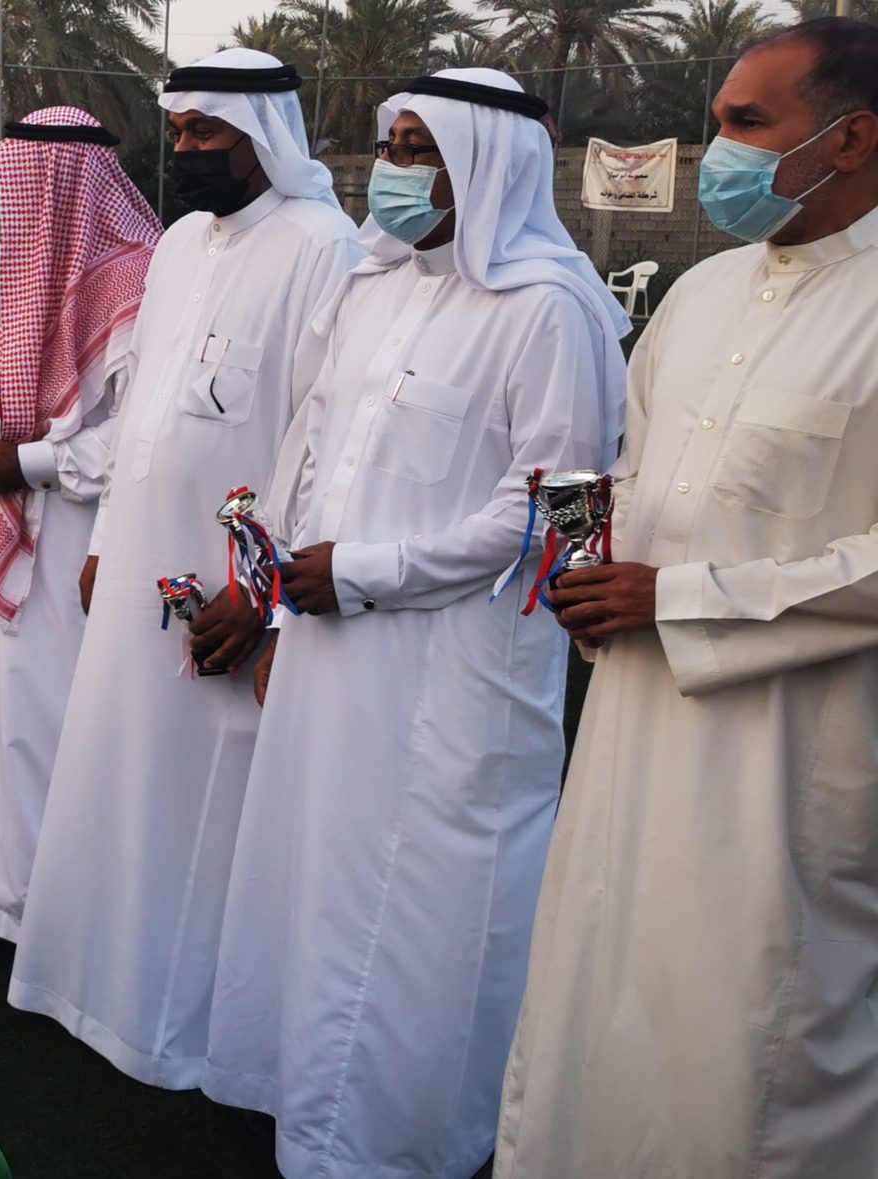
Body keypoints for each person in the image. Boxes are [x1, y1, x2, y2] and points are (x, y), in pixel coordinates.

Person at [194, 70, 628, 1178]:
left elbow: (562, 508)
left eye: (419, 149)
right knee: (320, 874)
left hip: (457, 666)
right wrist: (277, 592)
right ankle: (304, 1102)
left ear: (489, 162)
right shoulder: (370, 287)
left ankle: (408, 1137)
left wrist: (368, 573)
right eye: (389, 146)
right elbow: (308, 449)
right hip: (327, 638)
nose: (393, 171)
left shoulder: (550, 307)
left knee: (428, 901)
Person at [500, 20, 878, 1175]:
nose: (717, 151)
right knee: (597, 983)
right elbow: (631, 470)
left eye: (745, 124)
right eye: (716, 122)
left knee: (747, 1039)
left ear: (850, 138)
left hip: (786, 755)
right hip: (630, 719)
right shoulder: (702, 290)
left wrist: (682, 599)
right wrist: (581, 556)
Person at [4, 48, 359, 1090]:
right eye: (178, 130)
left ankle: (177, 1026)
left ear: (262, 137)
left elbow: (316, 442)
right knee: (114, 766)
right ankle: (94, 986)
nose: (184, 149)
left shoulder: (322, 248)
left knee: (206, 797)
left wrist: (263, 592)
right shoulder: (176, 247)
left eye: (205, 131)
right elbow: (144, 418)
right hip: (138, 561)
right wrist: (105, 541)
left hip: (227, 584)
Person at [0, 108, 159, 940]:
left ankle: (49, 909)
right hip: (5, 511)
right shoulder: (29, 270)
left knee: (50, 713)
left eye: (23, 186)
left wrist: (36, 461)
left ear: (62, 188)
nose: (9, 203)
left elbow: (137, 435)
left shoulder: (137, 281)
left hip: (79, 531)